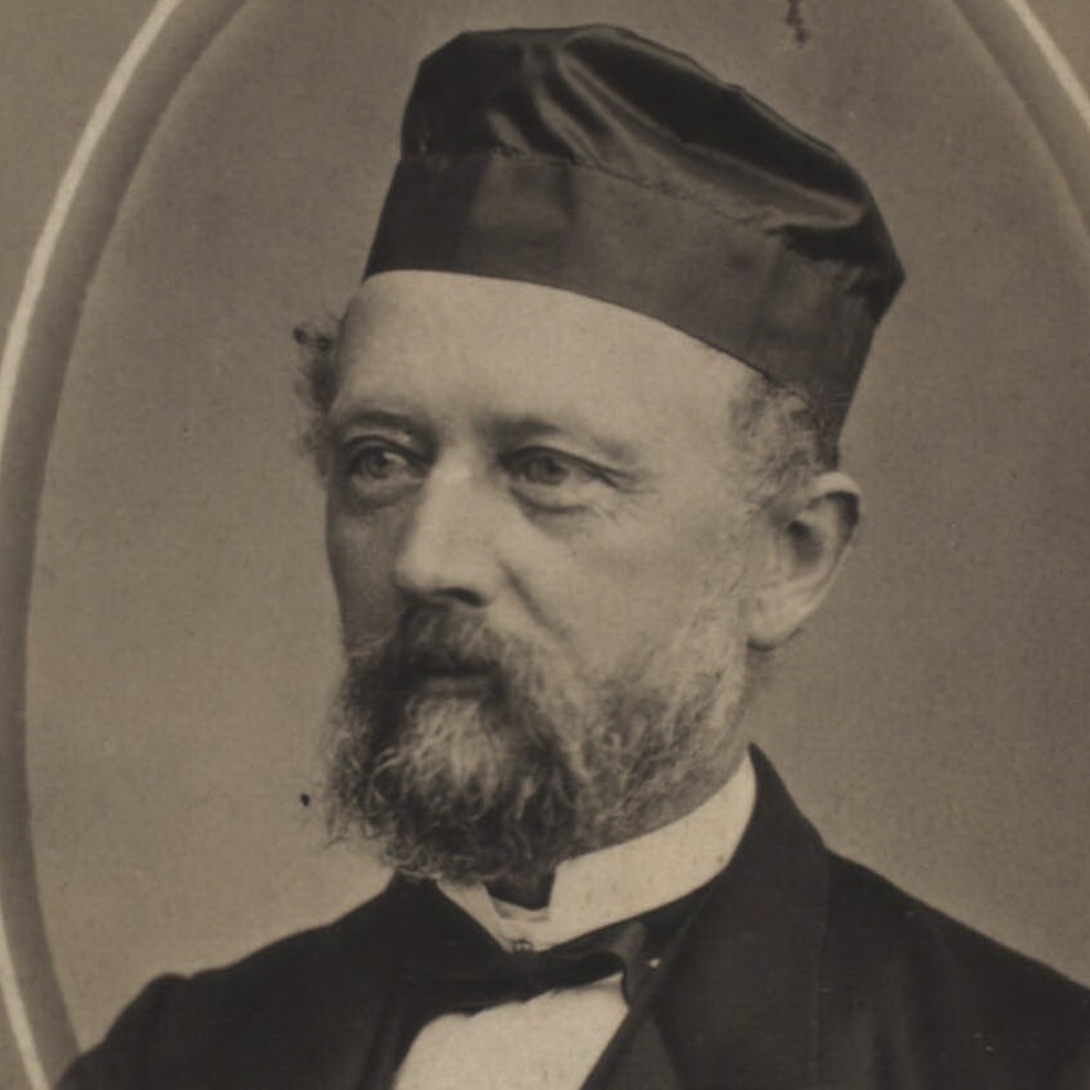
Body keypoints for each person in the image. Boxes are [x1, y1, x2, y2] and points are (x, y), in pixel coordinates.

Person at [59, 24, 1089, 1090]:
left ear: (787, 557)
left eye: (545, 470)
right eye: (380, 460)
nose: (425, 558)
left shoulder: (1031, 1065)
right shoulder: (169, 1059)